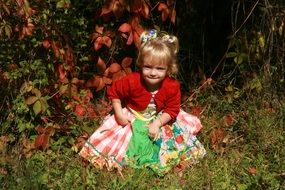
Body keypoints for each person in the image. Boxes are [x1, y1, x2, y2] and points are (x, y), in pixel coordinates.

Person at [79, 29, 206, 175]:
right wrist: (119, 114)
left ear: (169, 68)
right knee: (125, 142)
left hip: (159, 116)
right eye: (148, 67)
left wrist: (157, 123)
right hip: (133, 116)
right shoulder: (133, 80)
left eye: (159, 69)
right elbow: (114, 93)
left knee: (170, 141)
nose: (153, 72)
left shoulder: (172, 86)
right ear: (141, 64)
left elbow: (172, 109)